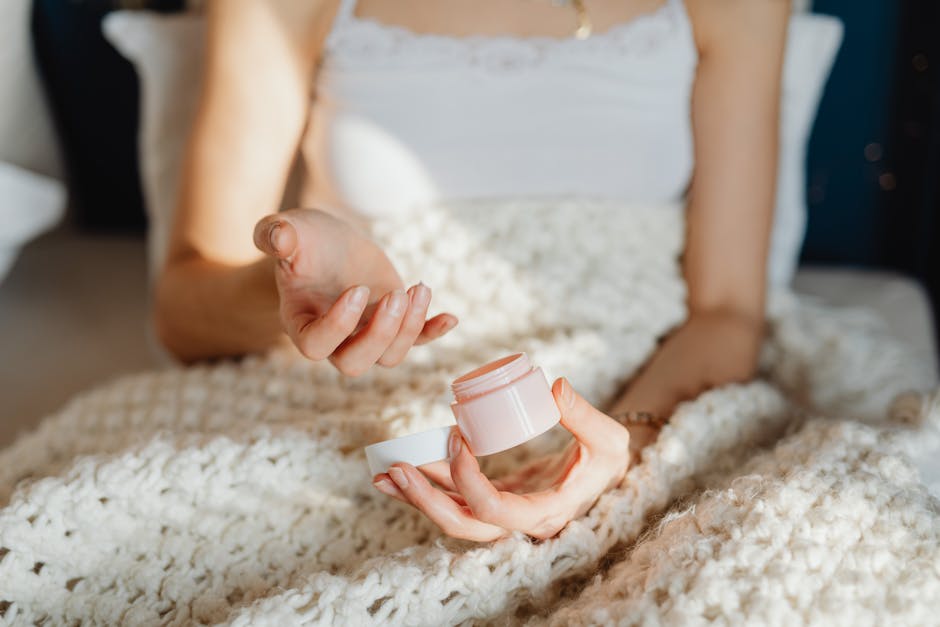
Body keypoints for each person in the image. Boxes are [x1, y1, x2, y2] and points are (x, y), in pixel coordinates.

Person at [153, 0, 790, 540]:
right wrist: (300, 299)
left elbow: (727, 311)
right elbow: (183, 314)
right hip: (357, 410)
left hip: (644, 395)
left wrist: (614, 460)